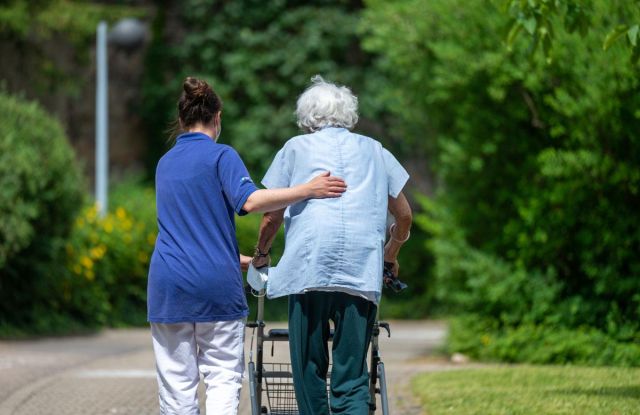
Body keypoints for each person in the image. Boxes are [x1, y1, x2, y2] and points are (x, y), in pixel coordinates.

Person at [147, 76, 347, 415]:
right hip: (215, 289)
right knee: (223, 378)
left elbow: (191, 237)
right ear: (218, 117)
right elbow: (251, 201)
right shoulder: (221, 156)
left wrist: (247, 261)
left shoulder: (165, 163)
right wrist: (307, 189)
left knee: (176, 386)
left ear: (181, 120)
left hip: (168, 285)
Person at [252, 75, 413, 415]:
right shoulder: (376, 150)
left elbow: (271, 217)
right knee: (353, 375)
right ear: (348, 114)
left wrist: (262, 254)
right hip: (361, 270)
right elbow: (404, 216)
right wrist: (390, 254)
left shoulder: (294, 148)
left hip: (309, 268)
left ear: (307, 115)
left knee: (309, 367)